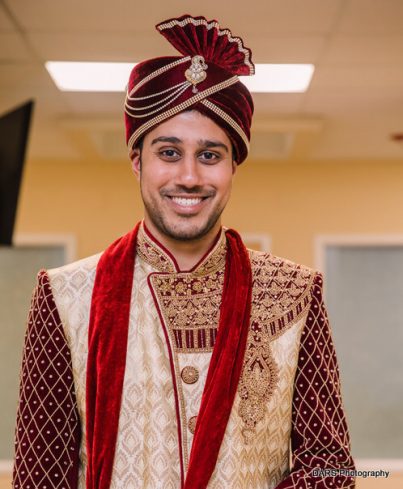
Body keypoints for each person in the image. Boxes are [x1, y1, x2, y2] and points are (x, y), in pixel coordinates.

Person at [13, 14, 356, 489]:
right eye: (169, 152)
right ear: (137, 162)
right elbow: (40, 478)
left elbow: (332, 466)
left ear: (233, 165)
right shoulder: (65, 294)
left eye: (210, 155)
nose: (190, 176)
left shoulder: (297, 292)